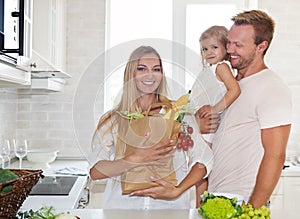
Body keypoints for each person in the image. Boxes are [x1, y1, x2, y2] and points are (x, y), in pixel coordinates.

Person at [88, 46, 213, 209]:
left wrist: (178, 190)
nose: (150, 74)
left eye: (156, 69)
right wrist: (133, 159)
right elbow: (95, 171)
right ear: (130, 74)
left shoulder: (178, 114)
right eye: (141, 68)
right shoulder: (114, 119)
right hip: (122, 210)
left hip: (169, 210)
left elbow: (204, 159)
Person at [198, 10, 292, 208]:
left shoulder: (271, 87)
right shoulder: (225, 85)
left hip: (242, 203)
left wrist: (252, 209)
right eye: (229, 42)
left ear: (261, 46)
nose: (229, 49)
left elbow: (275, 155)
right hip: (215, 199)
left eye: (238, 45)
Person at [190, 25, 241, 206]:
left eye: (214, 47)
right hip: (200, 128)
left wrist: (214, 108)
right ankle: (200, 207)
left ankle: (201, 207)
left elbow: (234, 90)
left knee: (202, 169)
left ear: (225, 47)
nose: (209, 52)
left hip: (210, 128)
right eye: (205, 48)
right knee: (200, 173)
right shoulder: (208, 70)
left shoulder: (221, 67)